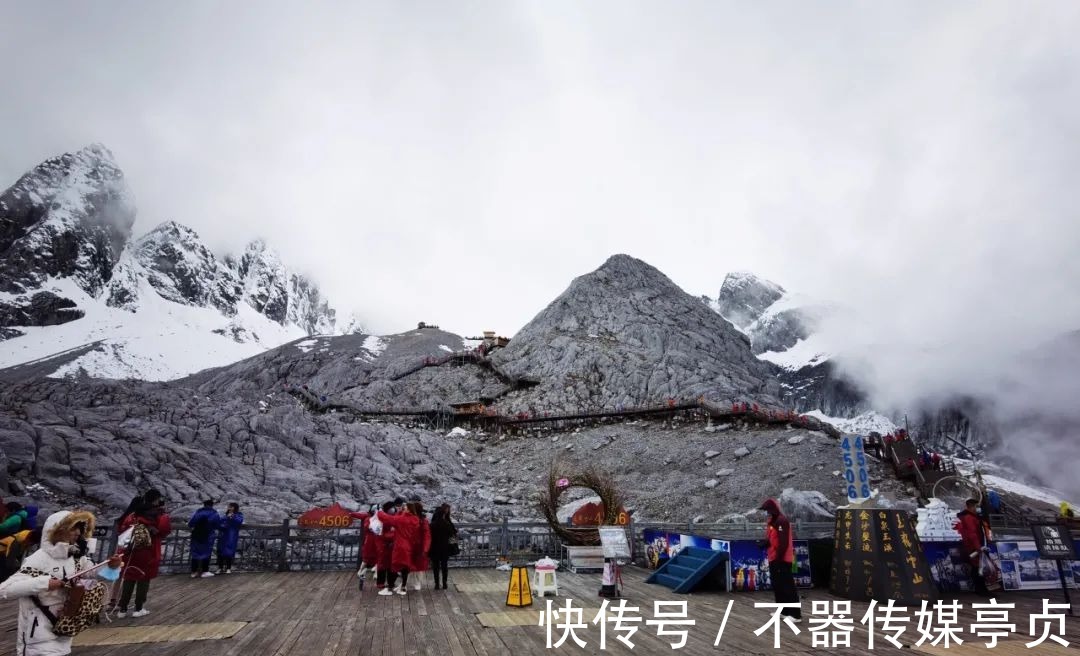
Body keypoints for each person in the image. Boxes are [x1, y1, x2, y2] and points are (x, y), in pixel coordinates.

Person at [0, 510, 122, 656]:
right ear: (58, 530)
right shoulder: (38, 559)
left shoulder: (76, 557)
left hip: (65, 627)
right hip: (38, 634)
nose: (77, 532)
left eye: (80, 528)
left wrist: (110, 566)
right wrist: (46, 583)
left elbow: (92, 573)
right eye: (73, 528)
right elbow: (5, 590)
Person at [116, 488, 171, 618]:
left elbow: (123, 528)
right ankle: (138, 608)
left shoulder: (134, 514)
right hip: (148, 550)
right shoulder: (157, 514)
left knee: (129, 577)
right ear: (156, 499)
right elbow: (164, 529)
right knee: (144, 578)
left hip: (131, 550)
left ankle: (122, 609)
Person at [759, 498, 801, 622]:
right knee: (778, 586)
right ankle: (783, 611)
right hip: (774, 557)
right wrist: (764, 544)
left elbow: (783, 543)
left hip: (782, 559)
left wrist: (778, 559)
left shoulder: (781, 521)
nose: (766, 513)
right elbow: (773, 539)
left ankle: (795, 614)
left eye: (767, 510)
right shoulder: (772, 521)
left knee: (787, 586)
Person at [376, 502, 420, 596]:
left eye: (405, 508)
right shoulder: (415, 519)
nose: (403, 509)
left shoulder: (402, 520)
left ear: (408, 509)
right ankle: (403, 588)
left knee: (394, 567)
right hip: (409, 546)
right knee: (405, 567)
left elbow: (388, 519)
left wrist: (379, 511)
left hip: (400, 546)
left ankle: (389, 588)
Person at [955, 498, 991, 595]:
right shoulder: (969, 518)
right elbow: (972, 533)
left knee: (976, 567)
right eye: (976, 506)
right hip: (973, 547)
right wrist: (978, 547)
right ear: (971, 507)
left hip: (972, 545)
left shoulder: (969, 517)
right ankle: (981, 589)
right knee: (978, 567)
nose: (977, 508)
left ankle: (980, 589)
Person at [429, 504, 458, 590]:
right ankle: (445, 583)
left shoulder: (432, 525)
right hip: (445, 548)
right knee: (444, 566)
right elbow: (452, 535)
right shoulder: (447, 524)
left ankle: (437, 584)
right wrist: (454, 546)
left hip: (434, 548)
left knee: (436, 567)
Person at [188, 499, 220, 578]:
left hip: (196, 535)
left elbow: (191, 523)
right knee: (207, 553)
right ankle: (205, 571)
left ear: (204, 505)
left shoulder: (198, 512)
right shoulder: (214, 513)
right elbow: (217, 524)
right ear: (212, 505)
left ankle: (193, 572)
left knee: (195, 553)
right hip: (208, 536)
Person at [375, 502, 398, 593]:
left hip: (389, 545)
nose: (393, 509)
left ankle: (390, 582)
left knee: (390, 565)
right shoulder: (383, 519)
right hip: (385, 545)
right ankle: (382, 582)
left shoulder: (389, 517)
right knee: (383, 564)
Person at [409, 502, 431, 591]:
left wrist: (425, 548)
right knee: (416, 565)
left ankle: (416, 582)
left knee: (417, 565)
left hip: (417, 546)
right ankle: (415, 583)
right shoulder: (422, 520)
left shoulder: (422, 521)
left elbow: (426, 535)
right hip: (415, 545)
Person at [216, 503, 244, 574]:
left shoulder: (239, 515)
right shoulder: (225, 515)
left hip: (231, 535)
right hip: (223, 535)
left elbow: (239, 521)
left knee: (229, 552)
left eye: (231, 507)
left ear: (235, 508)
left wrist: (232, 516)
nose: (229, 508)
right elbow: (220, 522)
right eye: (229, 507)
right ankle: (220, 568)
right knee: (220, 552)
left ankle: (228, 568)